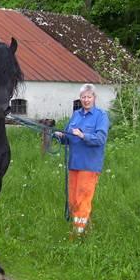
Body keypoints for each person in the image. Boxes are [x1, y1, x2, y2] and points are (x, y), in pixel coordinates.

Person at [54, 84, 110, 235]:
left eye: (89, 97)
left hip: (89, 165)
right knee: (73, 200)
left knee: (82, 200)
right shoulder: (76, 115)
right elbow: (68, 138)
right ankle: (84, 229)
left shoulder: (101, 115)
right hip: (74, 164)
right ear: (80, 99)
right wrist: (59, 135)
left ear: (94, 98)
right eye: (83, 97)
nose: (86, 100)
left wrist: (83, 135)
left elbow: (100, 139)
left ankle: (77, 235)